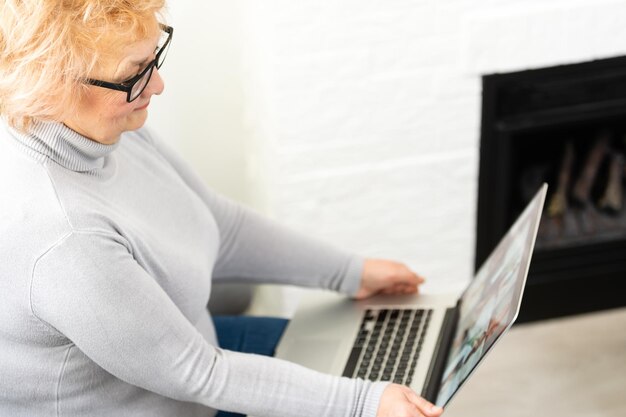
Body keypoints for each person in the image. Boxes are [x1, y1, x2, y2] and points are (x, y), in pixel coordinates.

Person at [0, 2, 445, 417]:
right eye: (136, 72)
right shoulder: (64, 237)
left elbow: (218, 224)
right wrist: (360, 403)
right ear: (52, 84)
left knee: (408, 368)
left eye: (154, 57)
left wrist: (350, 271)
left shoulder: (104, 128)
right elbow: (197, 373)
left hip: (201, 352)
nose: (157, 84)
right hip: (190, 385)